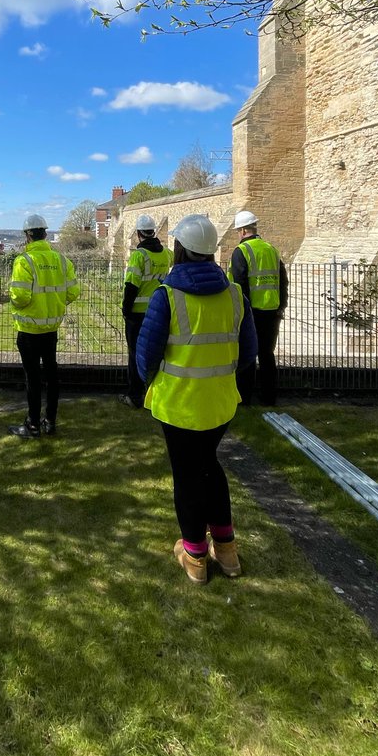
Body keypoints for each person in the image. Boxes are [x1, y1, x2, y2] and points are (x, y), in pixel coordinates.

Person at [137, 214, 257, 585]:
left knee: (187, 478)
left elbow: (146, 356)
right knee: (210, 468)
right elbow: (248, 353)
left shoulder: (167, 296)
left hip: (178, 407)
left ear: (180, 250)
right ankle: (227, 550)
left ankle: (194, 556)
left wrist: (151, 381)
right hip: (220, 404)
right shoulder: (235, 295)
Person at [8, 213, 80, 438]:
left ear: (28, 235)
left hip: (29, 331)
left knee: (33, 379)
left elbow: (19, 297)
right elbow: (73, 292)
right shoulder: (61, 260)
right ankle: (50, 421)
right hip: (51, 330)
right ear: (45, 234)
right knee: (52, 375)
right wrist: (54, 303)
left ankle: (32, 425)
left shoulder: (24, 261)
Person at [229, 209, 287, 408]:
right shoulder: (271, 249)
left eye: (238, 231)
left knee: (246, 355)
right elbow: (283, 280)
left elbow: (239, 285)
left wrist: (239, 313)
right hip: (272, 311)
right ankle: (269, 398)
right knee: (267, 355)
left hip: (250, 312)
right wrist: (281, 305)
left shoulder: (242, 251)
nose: (238, 234)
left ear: (243, 230)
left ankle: (244, 399)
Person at [121, 213, 172, 408]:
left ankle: (135, 396)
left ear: (138, 234)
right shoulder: (166, 253)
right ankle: (155, 394)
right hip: (159, 311)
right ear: (153, 232)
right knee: (158, 353)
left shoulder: (139, 255)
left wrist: (126, 309)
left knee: (135, 354)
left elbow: (131, 286)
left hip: (137, 313)